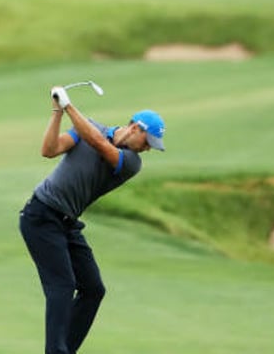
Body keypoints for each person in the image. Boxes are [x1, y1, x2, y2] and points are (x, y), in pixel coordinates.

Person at [19, 85, 166, 354]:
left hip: (66, 223)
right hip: (41, 216)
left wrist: (69, 106)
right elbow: (49, 150)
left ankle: (65, 350)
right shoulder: (89, 128)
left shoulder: (131, 162)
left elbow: (98, 144)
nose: (147, 149)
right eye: (147, 142)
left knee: (93, 289)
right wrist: (57, 112)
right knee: (62, 285)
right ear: (135, 128)